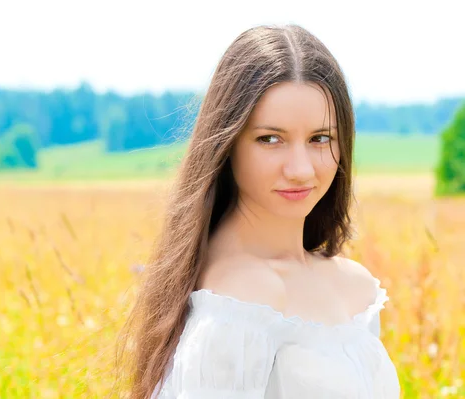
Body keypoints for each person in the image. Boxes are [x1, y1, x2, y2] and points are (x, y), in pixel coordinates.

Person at [113, 24, 400, 399]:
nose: (300, 169)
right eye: (270, 139)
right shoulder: (241, 297)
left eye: (320, 138)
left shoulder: (355, 288)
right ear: (227, 143)